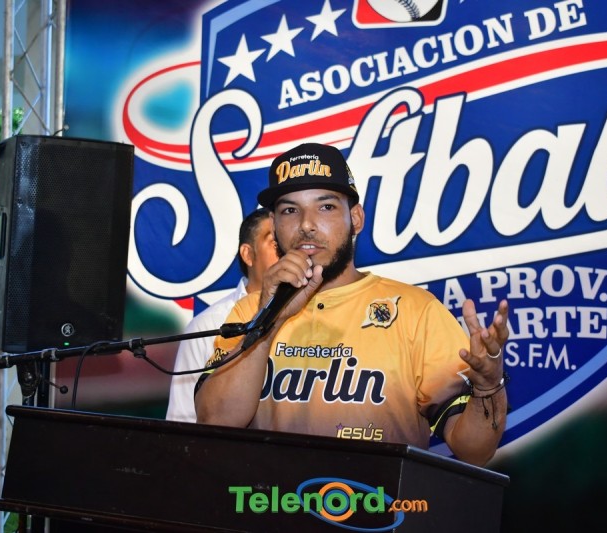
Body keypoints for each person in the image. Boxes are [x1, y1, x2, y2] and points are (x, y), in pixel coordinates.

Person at [196, 143, 509, 466]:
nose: (306, 224)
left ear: (356, 218)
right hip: (266, 496)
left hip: (376, 499)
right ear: (274, 227)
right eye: (290, 210)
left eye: (326, 207)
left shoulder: (417, 311)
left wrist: (488, 387)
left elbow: (475, 450)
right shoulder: (250, 312)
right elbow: (215, 422)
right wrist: (267, 322)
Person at [165, 207, 278, 422]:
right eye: (274, 243)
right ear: (248, 254)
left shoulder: (312, 313)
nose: (285, 252)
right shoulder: (208, 324)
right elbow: (183, 419)